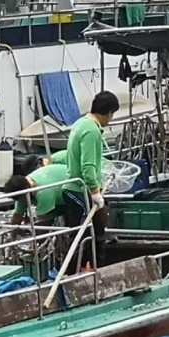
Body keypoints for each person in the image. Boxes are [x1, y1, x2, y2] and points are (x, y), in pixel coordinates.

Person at [62, 90, 119, 270]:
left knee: (94, 234)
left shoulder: (81, 123)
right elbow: (87, 166)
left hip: (75, 188)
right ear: (109, 112)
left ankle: (89, 270)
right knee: (83, 238)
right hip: (81, 191)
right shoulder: (91, 130)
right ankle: (73, 274)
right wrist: (95, 192)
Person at [3, 160, 70, 225]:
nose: (21, 201)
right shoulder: (23, 188)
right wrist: (14, 233)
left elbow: (41, 222)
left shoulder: (43, 192)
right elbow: (17, 216)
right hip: (56, 184)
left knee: (51, 219)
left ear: (27, 188)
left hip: (74, 187)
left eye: (21, 198)